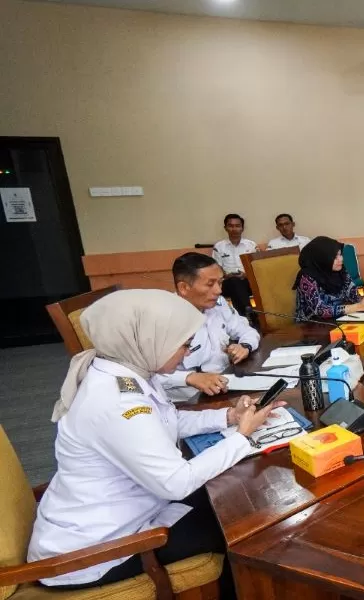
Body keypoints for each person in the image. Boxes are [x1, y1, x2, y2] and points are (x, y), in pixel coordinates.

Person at [27, 289, 286, 596]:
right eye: (184, 344)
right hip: (90, 552)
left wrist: (229, 416)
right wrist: (242, 437)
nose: (187, 354)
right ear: (149, 341)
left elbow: (168, 420)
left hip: (131, 511)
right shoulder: (115, 402)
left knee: (237, 497)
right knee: (245, 527)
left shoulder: (129, 372)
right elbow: (176, 483)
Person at [158, 253, 262, 402]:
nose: (218, 290)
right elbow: (146, 374)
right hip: (189, 401)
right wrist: (189, 377)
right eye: (210, 284)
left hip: (226, 385)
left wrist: (245, 346)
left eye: (220, 282)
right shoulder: (162, 319)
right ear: (184, 288)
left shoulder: (218, 304)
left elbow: (247, 331)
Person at [293, 236, 364, 321]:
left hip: (339, 319)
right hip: (311, 324)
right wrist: (358, 307)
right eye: (335, 257)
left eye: (340, 254)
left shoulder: (340, 270)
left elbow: (352, 294)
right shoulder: (307, 277)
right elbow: (320, 310)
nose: (341, 259)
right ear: (323, 258)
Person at [211, 213, 256, 316]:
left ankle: (245, 315)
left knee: (239, 285)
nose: (234, 229)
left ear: (242, 228)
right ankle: (249, 314)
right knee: (235, 282)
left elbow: (256, 267)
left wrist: (246, 275)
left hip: (248, 281)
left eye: (237, 226)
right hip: (227, 283)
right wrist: (227, 275)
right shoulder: (219, 246)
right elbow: (216, 269)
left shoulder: (251, 245)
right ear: (225, 228)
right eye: (230, 226)